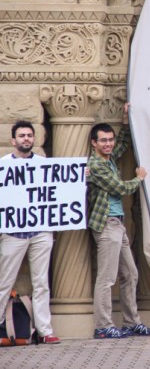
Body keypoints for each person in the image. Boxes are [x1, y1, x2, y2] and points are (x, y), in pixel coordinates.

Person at [88, 103, 150, 339]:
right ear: (93, 143)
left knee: (131, 274)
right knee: (107, 279)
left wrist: (125, 121)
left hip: (118, 224)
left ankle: (131, 322)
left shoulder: (108, 159)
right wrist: (139, 179)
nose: (108, 144)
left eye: (110, 139)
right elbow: (120, 188)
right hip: (107, 224)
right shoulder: (96, 165)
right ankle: (103, 326)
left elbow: (123, 145)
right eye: (103, 140)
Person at [0, 121, 61, 344]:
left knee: (41, 282)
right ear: (13, 140)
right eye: (22, 135)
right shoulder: (3, 165)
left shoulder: (44, 164)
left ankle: (45, 331)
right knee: (4, 281)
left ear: (34, 139)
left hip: (40, 231)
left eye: (29, 135)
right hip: (14, 231)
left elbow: (60, 187)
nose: (26, 138)